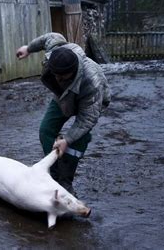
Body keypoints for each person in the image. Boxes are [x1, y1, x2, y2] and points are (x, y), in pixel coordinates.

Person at [16, 32, 110, 195]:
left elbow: (87, 118)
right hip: (63, 97)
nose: (58, 79)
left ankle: (66, 181)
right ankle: (52, 173)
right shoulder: (55, 50)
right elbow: (48, 37)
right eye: (56, 75)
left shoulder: (92, 83)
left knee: (78, 139)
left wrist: (67, 139)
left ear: (73, 71)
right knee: (46, 130)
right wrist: (28, 48)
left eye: (63, 77)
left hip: (87, 102)